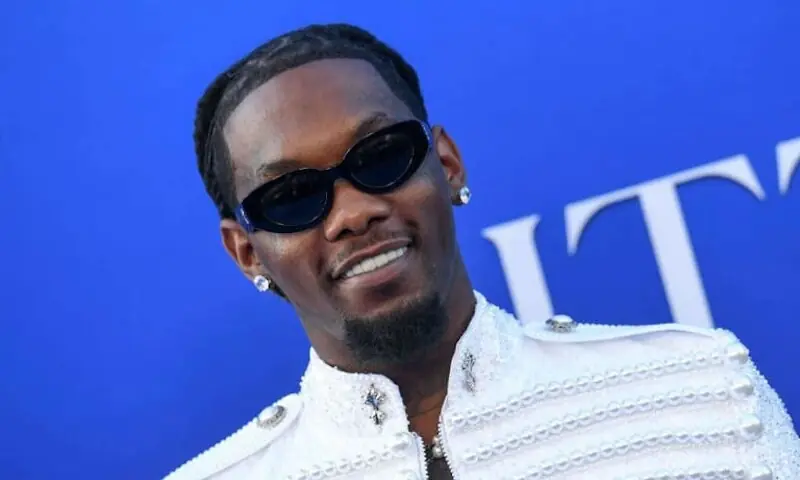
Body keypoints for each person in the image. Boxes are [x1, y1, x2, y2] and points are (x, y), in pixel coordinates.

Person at [165, 23, 799, 480]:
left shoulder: (700, 392)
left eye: (383, 156)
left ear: (446, 164)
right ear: (247, 253)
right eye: (293, 197)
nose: (354, 213)